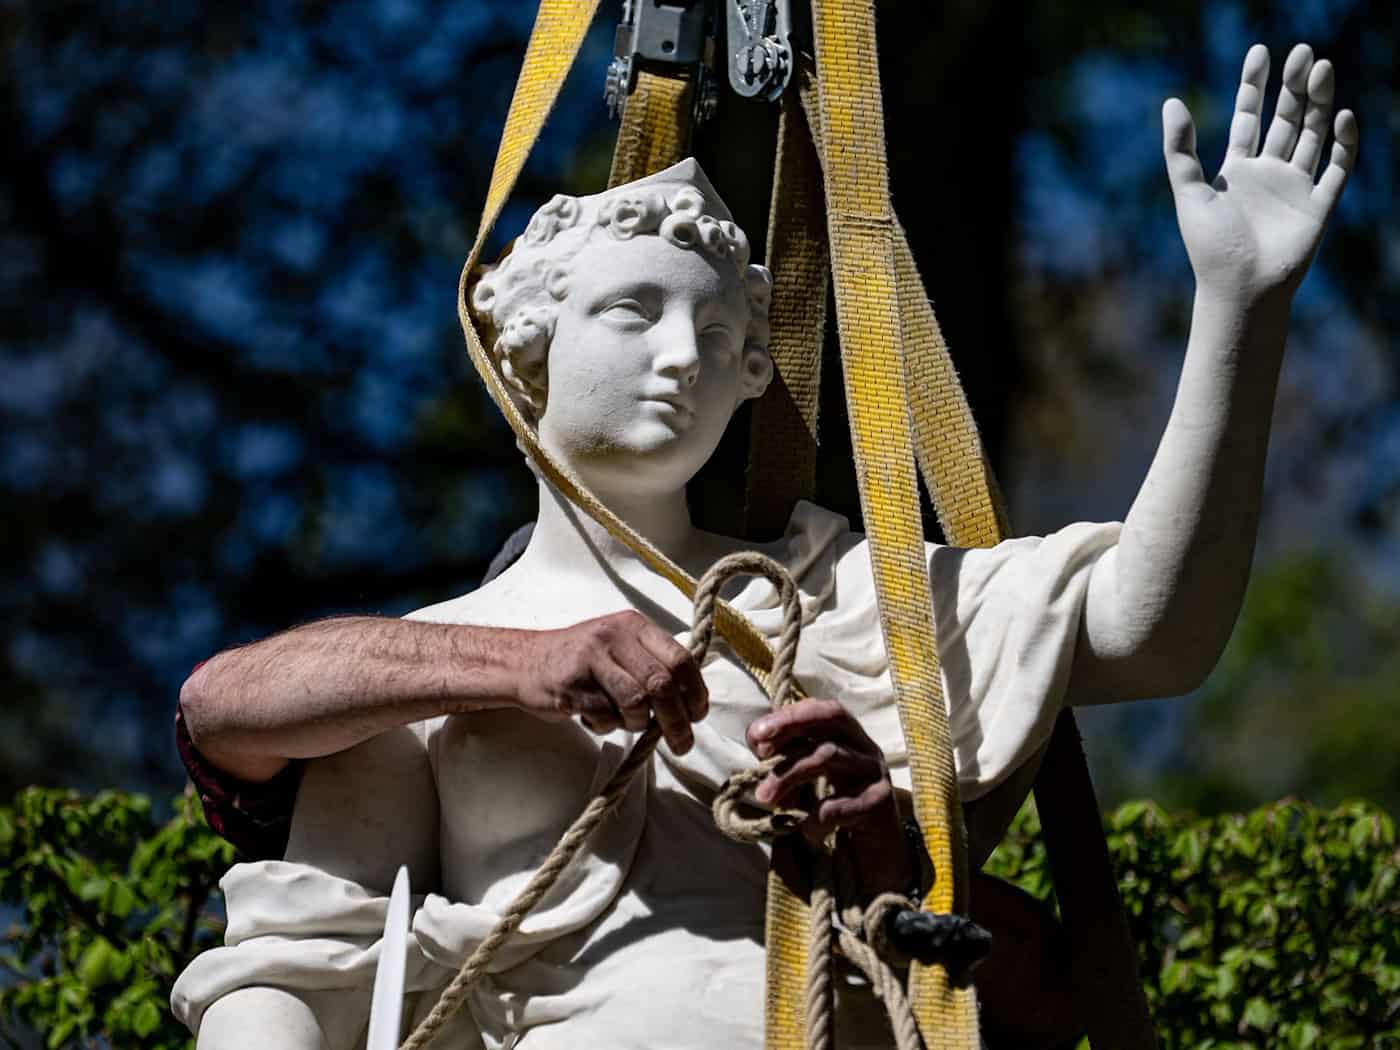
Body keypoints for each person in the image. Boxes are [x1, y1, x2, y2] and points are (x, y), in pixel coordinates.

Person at [172, 42, 1355, 1050]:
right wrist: (522, 663)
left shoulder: (839, 599)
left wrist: (1238, 311)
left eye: (715, 331)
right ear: (529, 344)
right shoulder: (420, 682)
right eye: (632, 311)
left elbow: (1148, 633)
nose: (679, 355)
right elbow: (258, 847)